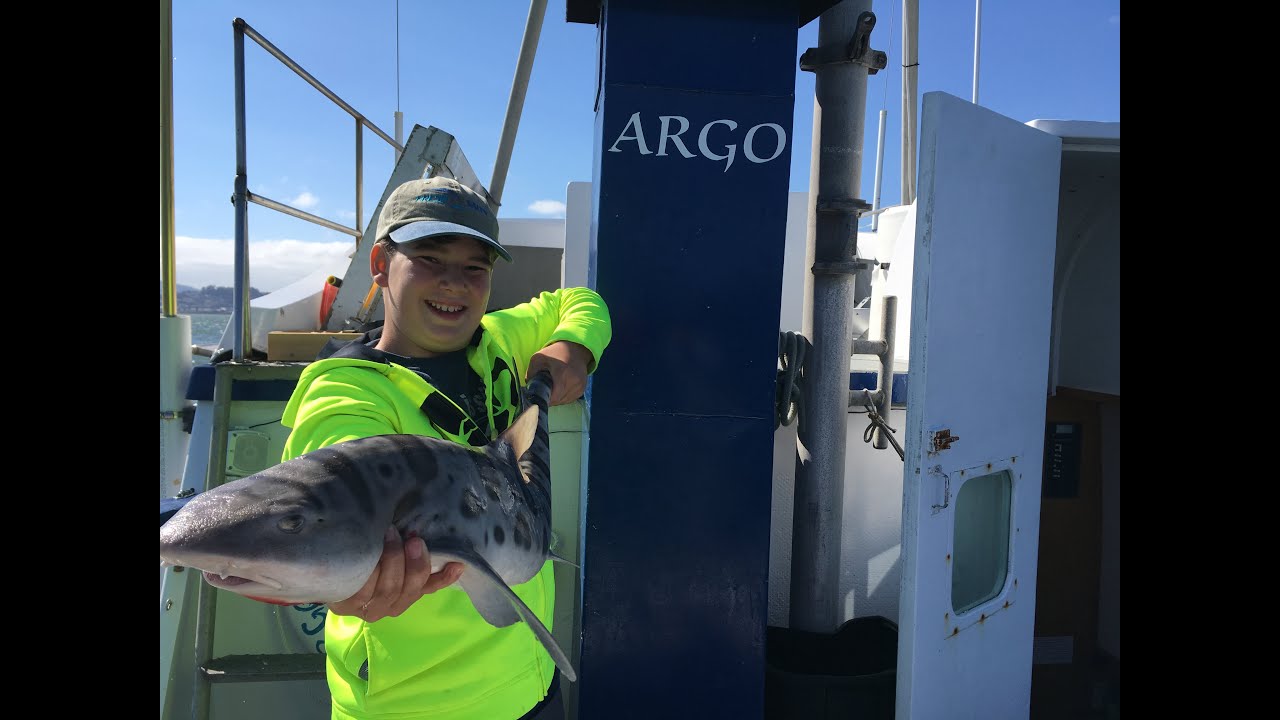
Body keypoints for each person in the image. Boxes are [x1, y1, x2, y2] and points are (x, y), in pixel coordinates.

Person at [279, 176, 612, 720]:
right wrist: (343, 583)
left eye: (474, 268)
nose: (455, 284)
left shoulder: (500, 339)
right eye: (431, 259)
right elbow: (332, 491)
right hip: (414, 709)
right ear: (381, 265)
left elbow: (582, 300)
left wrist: (572, 348)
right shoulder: (345, 392)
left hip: (531, 681)